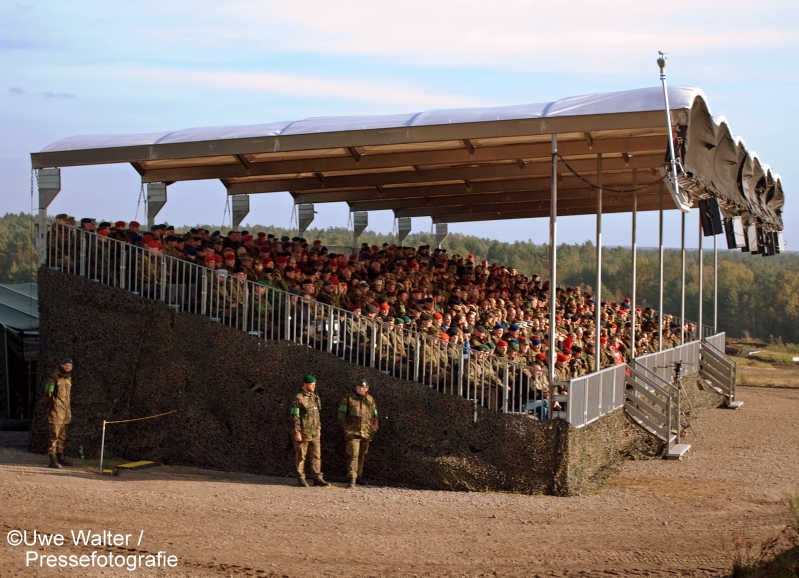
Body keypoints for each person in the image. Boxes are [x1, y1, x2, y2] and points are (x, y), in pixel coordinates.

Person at [289, 375, 330, 487]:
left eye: (314, 384)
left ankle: (317, 478)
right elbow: (294, 416)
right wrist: (297, 432)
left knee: (316, 456)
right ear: (305, 384)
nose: (314, 386)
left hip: (314, 432)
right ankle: (301, 478)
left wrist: (319, 428)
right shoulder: (298, 398)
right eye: (312, 384)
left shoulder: (315, 397)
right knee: (301, 456)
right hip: (303, 432)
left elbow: (317, 415)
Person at [338, 378, 379, 489]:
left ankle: (359, 476)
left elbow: (375, 416)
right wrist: (346, 429)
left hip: (366, 433)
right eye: (360, 387)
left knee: (361, 456)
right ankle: (352, 478)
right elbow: (341, 415)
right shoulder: (349, 399)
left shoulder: (370, 400)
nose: (361, 389)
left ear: (367, 388)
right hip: (353, 432)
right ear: (356, 387)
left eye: (364, 387)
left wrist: (373, 429)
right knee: (353, 456)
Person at [45, 358, 74, 469]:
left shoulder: (68, 379)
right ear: (61, 365)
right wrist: (50, 405)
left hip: (66, 413)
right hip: (56, 412)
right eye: (66, 365)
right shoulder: (54, 378)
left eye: (70, 366)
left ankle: (60, 457)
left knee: (63, 436)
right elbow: (48, 392)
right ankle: (53, 460)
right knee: (54, 436)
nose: (68, 367)